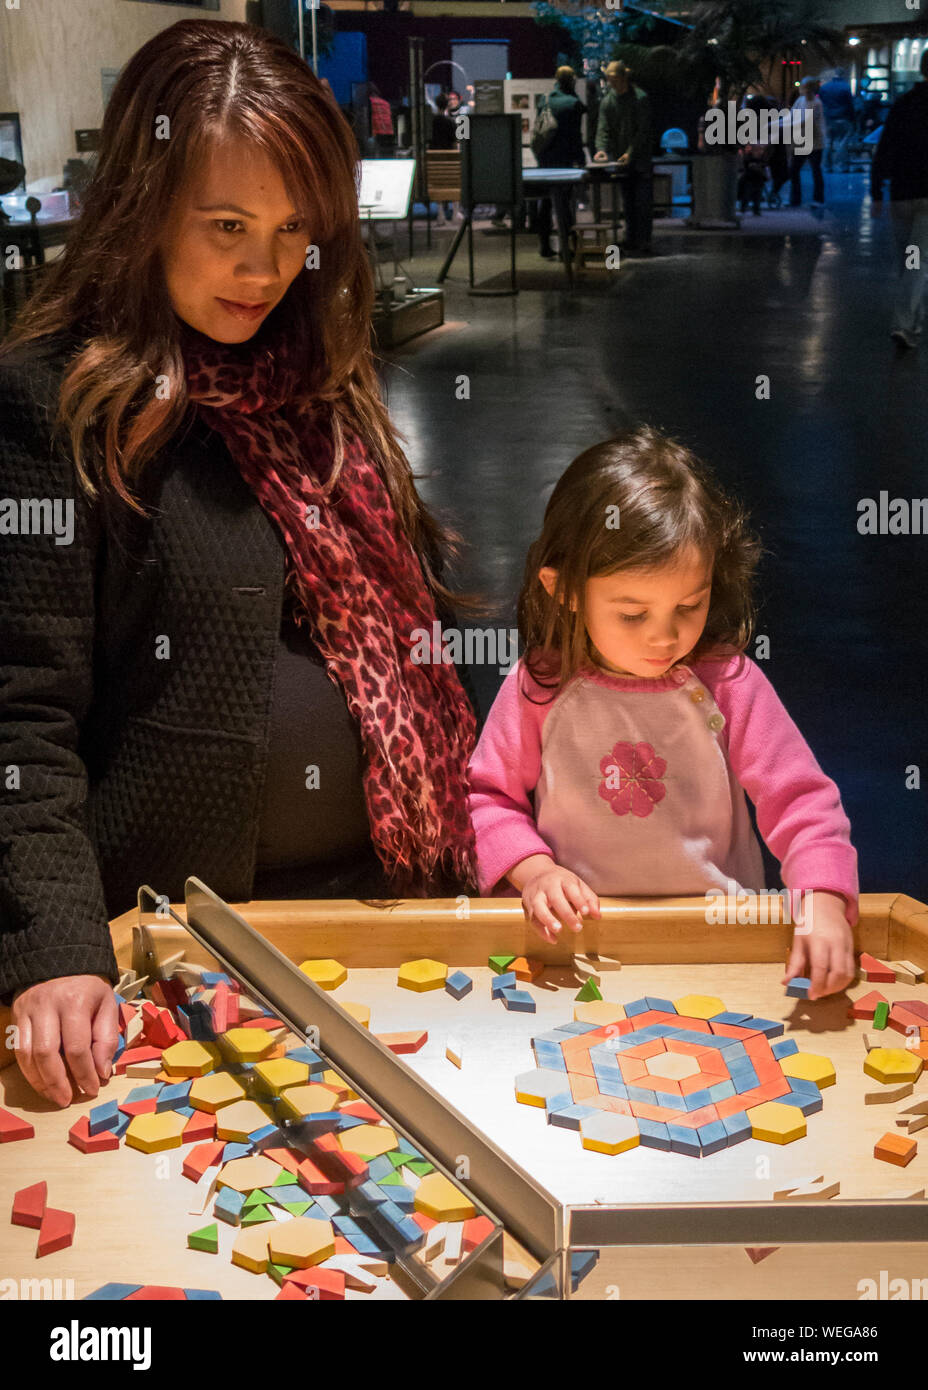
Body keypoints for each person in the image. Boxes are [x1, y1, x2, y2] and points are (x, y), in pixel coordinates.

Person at [0, 19, 480, 1107]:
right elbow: (18, 715)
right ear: (142, 207)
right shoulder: (54, 405)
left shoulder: (319, 375)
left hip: (380, 920)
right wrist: (53, 946)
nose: (263, 269)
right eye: (225, 225)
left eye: (290, 229)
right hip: (169, 947)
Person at [468, 427, 858, 1001]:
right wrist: (535, 872)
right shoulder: (541, 686)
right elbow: (487, 798)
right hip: (574, 950)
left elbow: (802, 802)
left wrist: (822, 899)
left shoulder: (728, 685)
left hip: (719, 944)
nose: (665, 637)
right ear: (565, 590)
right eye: (632, 614)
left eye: (689, 605)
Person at [870, 48, 928, 349]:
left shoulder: (903, 105)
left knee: (909, 262)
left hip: (902, 194)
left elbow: (885, 147)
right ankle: (906, 324)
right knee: (918, 264)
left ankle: (912, 322)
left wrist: (877, 191)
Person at [593, 60, 654, 254]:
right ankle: (630, 238)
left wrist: (631, 152)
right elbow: (603, 127)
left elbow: (643, 130)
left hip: (640, 159)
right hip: (622, 160)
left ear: (623, 78)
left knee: (642, 201)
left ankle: (643, 240)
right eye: (609, 80)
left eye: (614, 79)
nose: (611, 83)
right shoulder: (608, 101)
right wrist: (601, 148)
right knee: (628, 200)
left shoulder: (640, 98)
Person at [534, 65, 587, 260]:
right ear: (571, 81)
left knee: (546, 204)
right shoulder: (573, 103)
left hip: (544, 158)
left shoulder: (544, 99)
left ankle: (544, 246)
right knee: (563, 204)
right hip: (564, 160)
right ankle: (567, 248)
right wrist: (581, 161)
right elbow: (575, 136)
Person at [789, 77, 826, 208]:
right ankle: (796, 199)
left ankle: (817, 199)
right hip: (804, 140)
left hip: (814, 142)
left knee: (815, 170)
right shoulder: (800, 101)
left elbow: (804, 121)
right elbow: (791, 116)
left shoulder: (816, 103)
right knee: (796, 170)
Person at [428, 91, 457, 224]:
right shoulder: (450, 122)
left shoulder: (432, 121)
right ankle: (456, 213)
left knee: (438, 184)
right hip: (449, 158)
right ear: (447, 105)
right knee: (453, 183)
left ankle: (440, 215)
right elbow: (455, 142)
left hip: (435, 158)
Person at [819, 68, 855, 173]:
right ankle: (842, 166)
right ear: (843, 74)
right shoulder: (846, 87)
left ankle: (827, 166)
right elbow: (850, 105)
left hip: (828, 118)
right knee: (842, 142)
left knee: (828, 142)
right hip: (843, 118)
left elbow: (821, 103)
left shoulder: (825, 87)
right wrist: (853, 119)